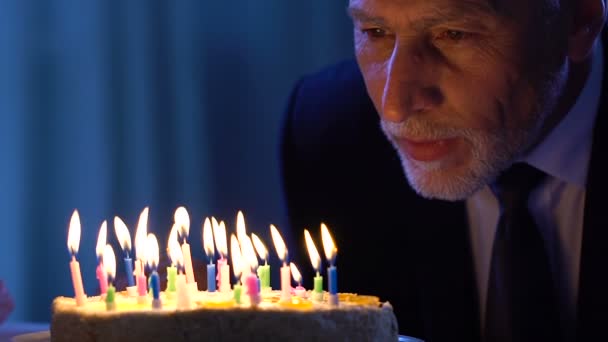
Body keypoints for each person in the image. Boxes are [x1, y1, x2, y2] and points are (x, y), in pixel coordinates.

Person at [280, 0, 607, 341]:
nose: (394, 106)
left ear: (579, 20)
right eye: (375, 32)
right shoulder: (331, 136)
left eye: (454, 34)